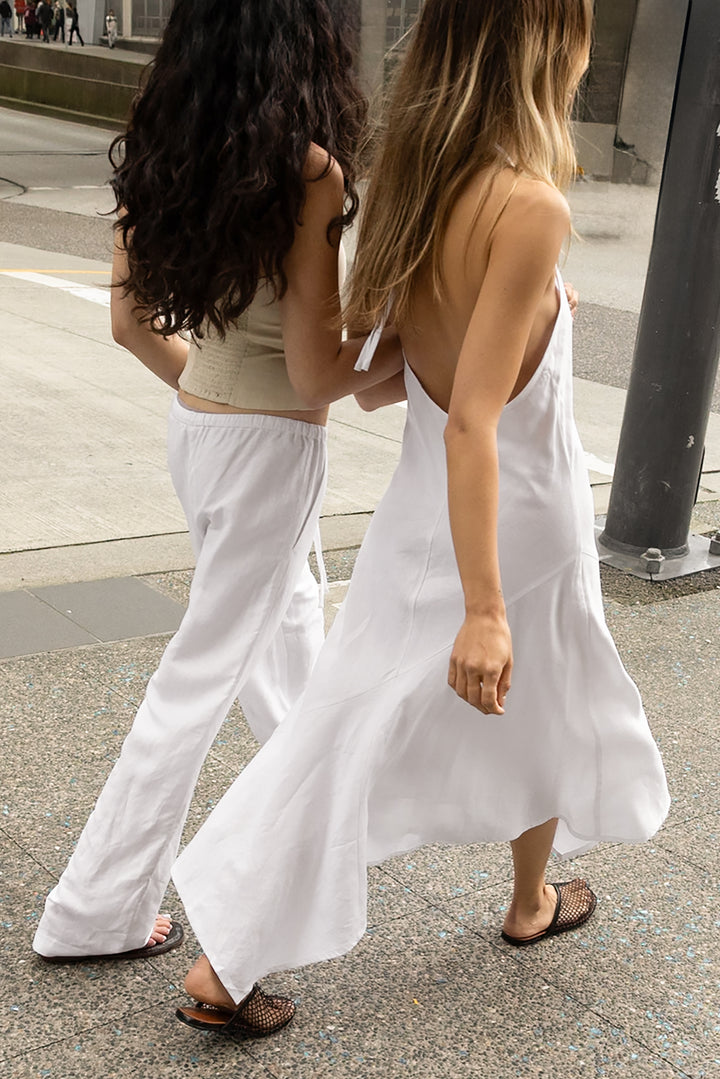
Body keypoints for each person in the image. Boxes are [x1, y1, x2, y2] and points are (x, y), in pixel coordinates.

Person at [170, 0, 670, 1037]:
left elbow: (386, 380)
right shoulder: (531, 208)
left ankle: (531, 899)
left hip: (426, 520)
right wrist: (485, 607)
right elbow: (473, 424)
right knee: (382, 723)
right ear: (541, 48)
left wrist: (517, 321)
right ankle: (225, 955)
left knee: (506, 700)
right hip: (508, 525)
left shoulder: (420, 186)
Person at [32, 0, 401, 968]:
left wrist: (214, 391)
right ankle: (94, 907)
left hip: (196, 428)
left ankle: (324, 830)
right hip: (271, 447)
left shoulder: (164, 141)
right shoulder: (310, 173)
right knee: (198, 681)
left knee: (285, 640)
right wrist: (402, 351)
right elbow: (319, 373)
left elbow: (127, 320)